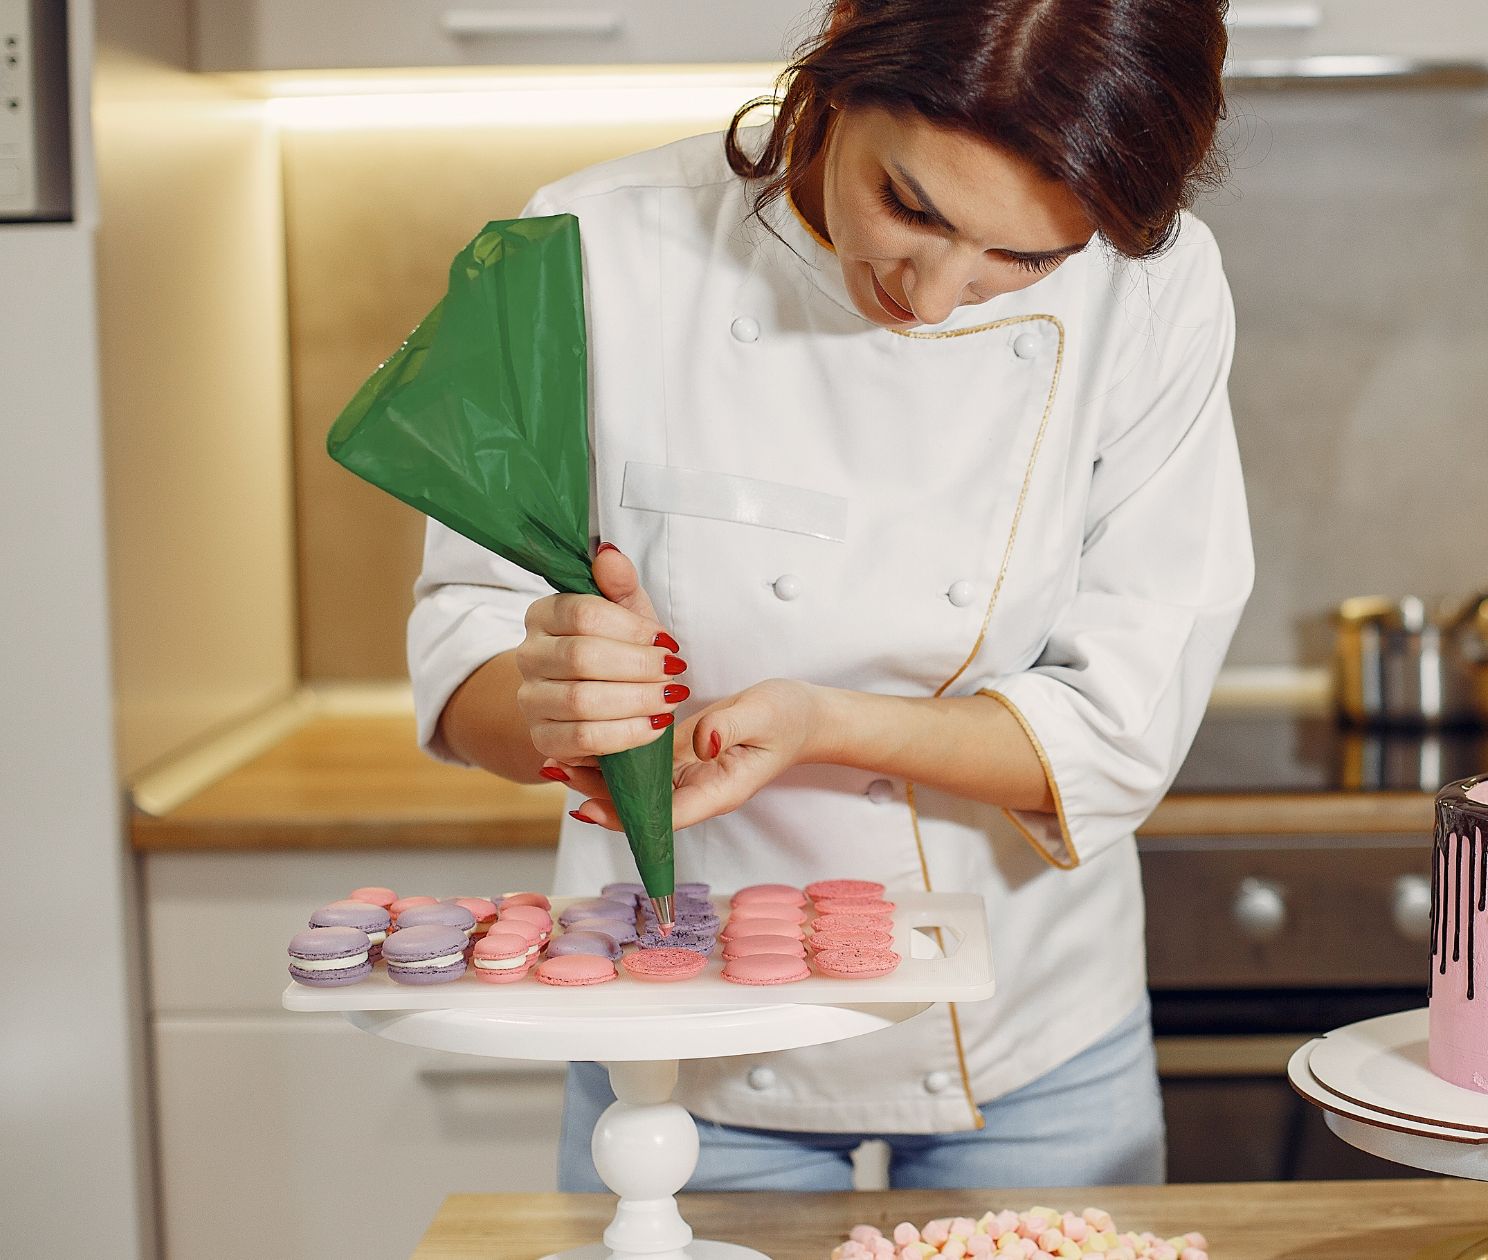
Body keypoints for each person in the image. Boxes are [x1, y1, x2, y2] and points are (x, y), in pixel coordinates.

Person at [406, 0, 1251, 1191]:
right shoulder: (587, 243)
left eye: (1024, 260)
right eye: (909, 207)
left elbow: (1118, 728)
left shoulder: (1154, 288)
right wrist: (552, 698)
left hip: (1027, 1038)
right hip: (685, 1031)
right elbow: (466, 642)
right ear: (838, 67)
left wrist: (821, 722)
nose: (937, 293)